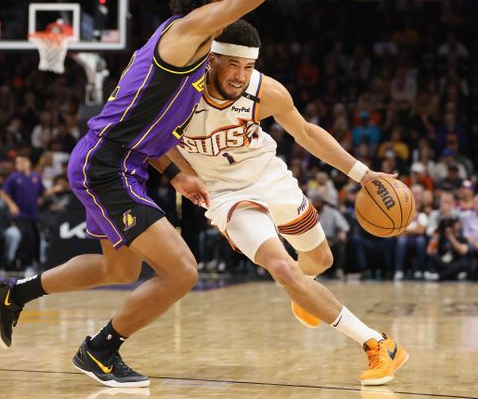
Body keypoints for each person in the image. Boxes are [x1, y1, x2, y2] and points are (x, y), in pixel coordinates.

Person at [0, 0, 315, 388]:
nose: (228, 15)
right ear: (209, 5)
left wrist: (179, 173)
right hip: (108, 165)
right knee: (183, 271)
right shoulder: (185, 33)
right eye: (223, 4)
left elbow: (153, 133)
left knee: (119, 268)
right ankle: (98, 351)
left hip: (118, 161)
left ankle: (15, 294)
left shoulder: (185, 58)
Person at [174, 20, 408, 385]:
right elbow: (154, 141)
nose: (240, 76)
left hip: (269, 175)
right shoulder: (179, 93)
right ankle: (378, 343)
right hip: (224, 194)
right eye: (233, 65)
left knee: (319, 260)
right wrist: (182, 173)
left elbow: (306, 133)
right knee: (283, 269)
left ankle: (306, 292)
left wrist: (364, 174)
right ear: (211, 60)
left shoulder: (266, 92)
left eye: (248, 67)